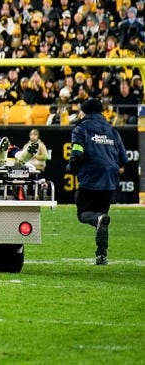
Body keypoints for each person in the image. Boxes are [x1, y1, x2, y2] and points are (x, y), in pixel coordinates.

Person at [69, 98, 128, 265]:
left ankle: (98, 223)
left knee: (84, 214)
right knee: (102, 216)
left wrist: (71, 168)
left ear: (85, 112)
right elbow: (124, 160)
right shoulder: (112, 131)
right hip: (109, 181)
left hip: (90, 178)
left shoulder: (81, 129)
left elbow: (77, 153)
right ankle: (101, 255)